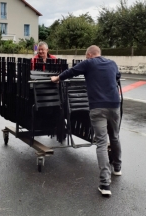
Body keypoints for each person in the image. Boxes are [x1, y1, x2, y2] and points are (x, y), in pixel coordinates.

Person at [51, 45, 122, 197]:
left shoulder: (89, 63)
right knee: (114, 137)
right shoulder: (112, 63)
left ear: (89, 55)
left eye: (86, 56)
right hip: (115, 106)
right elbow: (117, 77)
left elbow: (70, 72)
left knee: (102, 143)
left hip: (97, 107)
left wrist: (56, 78)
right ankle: (117, 168)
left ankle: (105, 184)